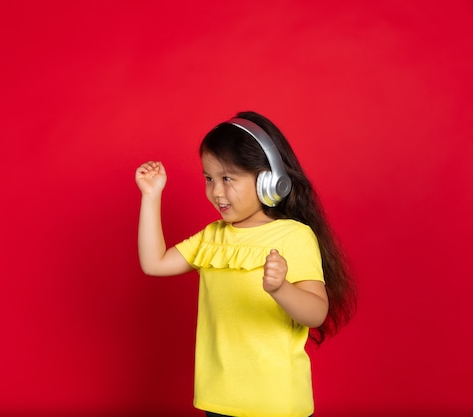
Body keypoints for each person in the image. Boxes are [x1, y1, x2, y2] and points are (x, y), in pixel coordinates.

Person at [135, 111, 356, 417]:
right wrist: (151, 195)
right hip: (218, 399)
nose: (217, 192)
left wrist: (281, 289)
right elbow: (154, 263)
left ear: (269, 180)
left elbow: (316, 313)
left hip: (275, 405)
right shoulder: (212, 238)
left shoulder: (294, 235)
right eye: (209, 179)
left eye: (228, 178)